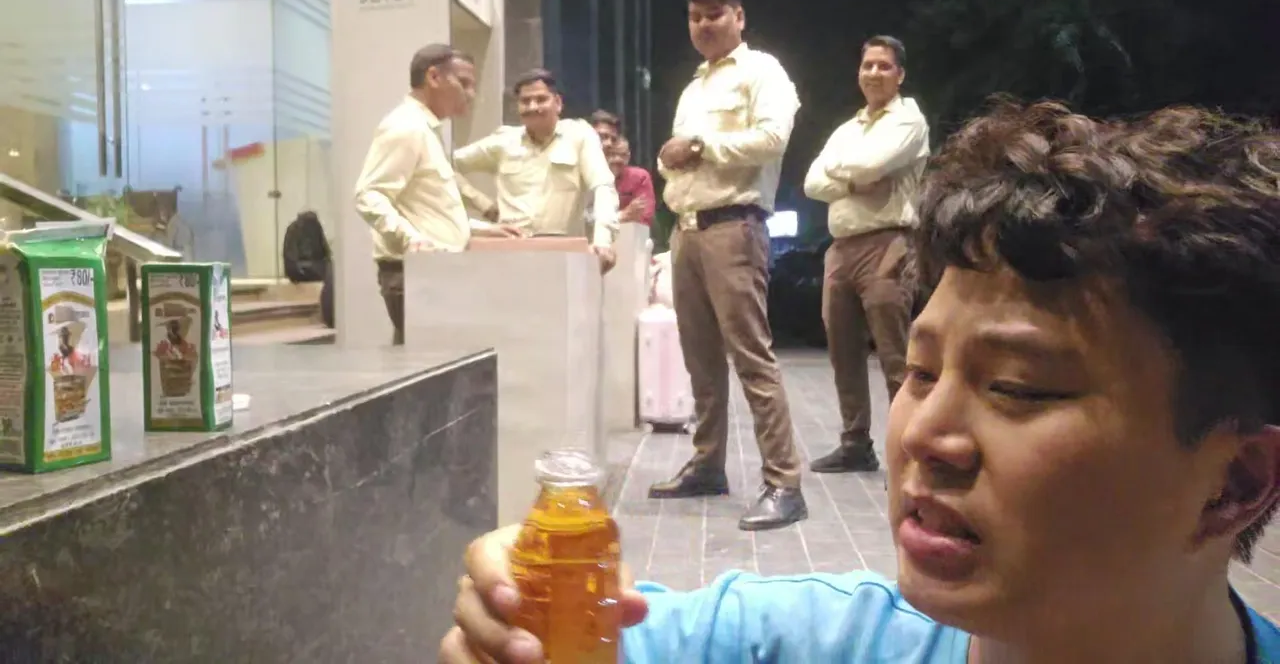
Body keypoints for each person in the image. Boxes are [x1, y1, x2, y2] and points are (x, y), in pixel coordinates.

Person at [439, 100, 1280, 662]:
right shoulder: (800, 642)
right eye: (919, 371)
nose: (924, 436)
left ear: (1237, 482)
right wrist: (522, 620)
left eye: (1020, 388)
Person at [648, 0, 806, 531]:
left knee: (751, 356)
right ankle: (708, 465)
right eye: (695, 17)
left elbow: (772, 139)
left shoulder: (763, 71)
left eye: (715, 14)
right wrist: (674, 156)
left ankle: (784, 482)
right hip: (687, 231)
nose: (704, 25)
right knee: (700, 359)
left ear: (739, 16)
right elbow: (671, 161)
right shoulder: (694, 86)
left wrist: (699, 145)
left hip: (734, 227)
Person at [803, 35, 930, 474]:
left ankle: (909, 448)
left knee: (895, 351)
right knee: (842, 350)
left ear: (900, 74)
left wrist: (846, 171)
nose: (874, 73)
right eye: (867, 65)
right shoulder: (847, 129)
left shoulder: (909, 120)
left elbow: (874, 165)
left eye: (883, 65)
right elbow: (812, 183)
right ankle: (855, 442)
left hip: (888, 243)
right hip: (841, 249)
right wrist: (855, 180)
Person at [352, 44, 517, 344]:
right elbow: (368, 194)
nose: (471, 94)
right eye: (464, 83)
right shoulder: (406, 127)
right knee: (431, 364)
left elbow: (429, 209)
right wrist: (411, 239)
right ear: (434, 77)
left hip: (431, 273)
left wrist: (481, 229)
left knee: (436, 364)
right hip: (415, 274)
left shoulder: (426, 129)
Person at [453, 69, 619, 273]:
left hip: (563, 254)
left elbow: (602, 185)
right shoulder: (504, 141)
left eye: (541, 99)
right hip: (509, 251)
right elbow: (444, 165)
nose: (533, 107)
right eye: (525, 101)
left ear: (558, 103)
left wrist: (603, 240)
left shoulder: (579, 136)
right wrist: (483, 204)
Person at [610, 137, 656, 226]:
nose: (618, 159)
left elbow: (645, 216)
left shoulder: (640, 177)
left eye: (623, 155)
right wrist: (624, 214)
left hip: (632, 229)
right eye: (612, 154)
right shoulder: (591, 177)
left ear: (629, 156)